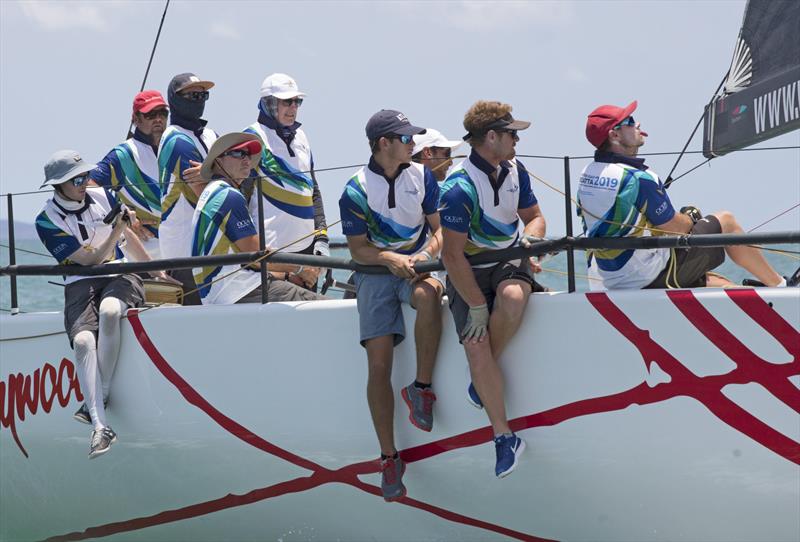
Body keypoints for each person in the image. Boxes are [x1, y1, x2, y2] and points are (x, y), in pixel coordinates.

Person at [35, 150, 171, 459]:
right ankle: (100, 425)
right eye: (77, 179)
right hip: (80, 281)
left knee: (111, 311)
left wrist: (154, 269)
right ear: (59, 186)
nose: (85, 182)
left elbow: (127, 243)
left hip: (120, 274)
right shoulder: (45, 221)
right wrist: (118, 231)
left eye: (85, 176)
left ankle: (100, 401)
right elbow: (89, 261)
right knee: (83, 341)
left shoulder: (103, 195)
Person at [339, 110, 444, 502]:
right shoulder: (354, 189)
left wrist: (420, 258)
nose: (413, 144)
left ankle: (421, 388)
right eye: (405, 138)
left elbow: (440, 231)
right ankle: (388, 457)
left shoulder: (424, 176)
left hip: (415, 270)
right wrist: (389, 259)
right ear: (384, 144)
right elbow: (358, 249)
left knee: (430, 296)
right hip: (374, 274)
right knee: (379, 365)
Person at [577, 100, 790, 290]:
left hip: (608, 277)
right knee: (726, 221)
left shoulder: (587, 173)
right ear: (614, 135)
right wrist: (691, 218)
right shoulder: (639, 178)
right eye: (630, 121)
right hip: (643, 277)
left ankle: (759, 303)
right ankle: (782, 287)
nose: (638, 124)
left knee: (716, 283)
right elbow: (675, 228)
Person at [439, 100, 546, 479]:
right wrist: (475, 307)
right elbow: (452, 257)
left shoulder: (517, 170)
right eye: (512, 133)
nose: (517, 139)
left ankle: (482, 381)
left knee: (514, 297)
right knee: (474, 342)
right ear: (491, 137)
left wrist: (532, 240)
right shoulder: (458, 187)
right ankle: (504, 437)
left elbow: (534, 218)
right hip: (467, 268)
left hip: (507, 261)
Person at [192, 133, 326, 304]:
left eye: (248, 155)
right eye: (239, 154)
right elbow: (257, 255)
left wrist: (286, 275)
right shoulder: (229, 196)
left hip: (224, 292)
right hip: (235, 292)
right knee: (329, 306)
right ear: (218, 161)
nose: (247, 160)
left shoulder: (212, 191)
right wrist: (301, 269)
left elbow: (249, 258)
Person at [242, 73, 329, 292]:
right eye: (286, 102)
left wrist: (322, 239)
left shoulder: (302, 137)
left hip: (308, 252)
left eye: (297, 101)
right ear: (269, 103)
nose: (293, 107)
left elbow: (314, 192)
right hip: (273, 253)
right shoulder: (251, 139)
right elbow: (239, 197)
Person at [90, 90, 168, 259]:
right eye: (150, 114)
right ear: (135, 118)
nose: (158, 119)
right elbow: (87, 186)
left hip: (179, 248)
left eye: (163, 113)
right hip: (141, 252)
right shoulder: (123, 154)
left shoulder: (175, 147)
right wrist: (123, 220)